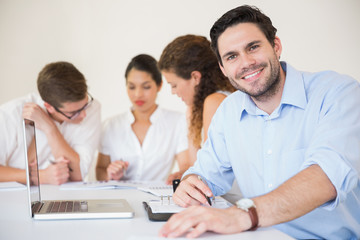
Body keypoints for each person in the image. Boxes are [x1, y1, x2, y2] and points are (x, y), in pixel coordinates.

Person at [159, 5, 360, 240]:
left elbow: (327, 176)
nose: (246, 63)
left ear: (276, 46)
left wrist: (244, 214)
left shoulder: (339, 93)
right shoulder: (228, 111)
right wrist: (191, 183)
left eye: (253, 47)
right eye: (232, 56)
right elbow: (206, 174)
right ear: (223, 69)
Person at [0, 61, 101, 185]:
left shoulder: (92, 108)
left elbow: (78, 173)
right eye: (74, 112)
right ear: (49, 106)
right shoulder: (10, 114)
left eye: (85, 105)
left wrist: (49, 128)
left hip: (67, 197)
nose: (83, 115)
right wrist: (40, 176)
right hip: (18, 198)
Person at [96, 54, 189, 184]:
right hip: (119, 197)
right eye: (132, 87)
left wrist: (180, 175)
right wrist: (110, 174)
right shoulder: (111, 125)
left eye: (146, 87)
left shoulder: (177, 121)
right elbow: (100, 170)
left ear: (159, 86)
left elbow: (186, 166)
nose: (138, 94)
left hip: (156, 199)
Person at [158, 34, 235, 164]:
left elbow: (209, 169)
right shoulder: (209, 103)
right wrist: (191, 115)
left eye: (174, 85)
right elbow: (198, 167)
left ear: (195, 77)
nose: (173, 92)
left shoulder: (215, 102)